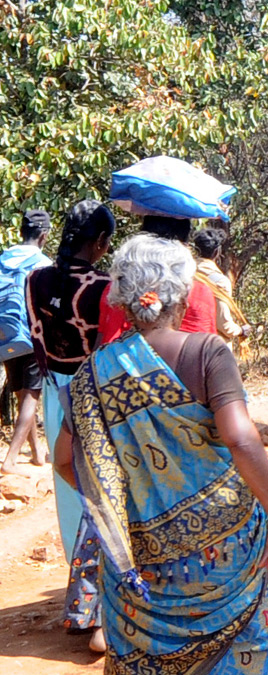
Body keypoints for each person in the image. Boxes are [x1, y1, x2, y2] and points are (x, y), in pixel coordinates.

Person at [55, 233, 268, 675]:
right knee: (231, 646)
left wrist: (130, 496)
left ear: (126, 299)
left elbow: (64, 460)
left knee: (145, 667)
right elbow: (240, 440)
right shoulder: (207, 351)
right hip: (226, 547)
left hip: (137, 555)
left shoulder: (93, 376)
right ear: (180, 292)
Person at [26, 200, 115, 644]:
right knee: (100, 492)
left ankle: (79, 581)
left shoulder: (35, 280)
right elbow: (101, 349)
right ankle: (95, 604)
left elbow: (38, 342)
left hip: (54, 391)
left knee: (71, 489)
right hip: (89, 393)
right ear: (100, 242)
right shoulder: (102, 286)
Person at [98, 215, 219, 341]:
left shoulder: (119, 288)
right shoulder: (200, 293)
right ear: (185, 247)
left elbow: (106, 339)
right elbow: (203, 347)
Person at [1, 209, 52, 473]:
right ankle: (10, 459)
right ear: (43, 235)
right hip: (32, 334)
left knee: (22, 392)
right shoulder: (42, 263)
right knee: (33, 395)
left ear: (21, 232)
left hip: (7, 333)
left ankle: (36, 453)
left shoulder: (3, 258)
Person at [192, 228, 249, 354]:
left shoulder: (185, 274)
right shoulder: (219, 281)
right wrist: (241, 331)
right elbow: (224, 324)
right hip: (212, 347)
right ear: (217, 252)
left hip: (184, 342)